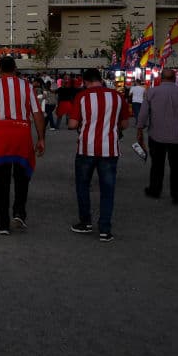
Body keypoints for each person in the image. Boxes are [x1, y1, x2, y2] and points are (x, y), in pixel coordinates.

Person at [0, 57, 45, 235]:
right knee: (22, 176)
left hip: (1, 135)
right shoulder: (27, 87)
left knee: (2, 180)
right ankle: (19, 213)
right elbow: (37, 113)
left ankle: (3, 224)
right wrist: (41, 138)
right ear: (15, 68)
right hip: (21, 133)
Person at [69, 68, 130, 242]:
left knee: (82, 186)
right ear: (100, 80)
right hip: (110, 150)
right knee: (107, 190)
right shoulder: (117, 97)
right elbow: (125, 124)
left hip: (86, 149)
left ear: (85, 81)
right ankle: (105, 229)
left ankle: (85, 222)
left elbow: (73, 124)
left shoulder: (82, 97)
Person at [136, 68, 178, 206]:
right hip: (177, 137)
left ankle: (155, 190)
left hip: (156, 136)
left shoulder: (151, 92)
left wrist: (140, 128)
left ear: (161, 78)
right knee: (176, 166)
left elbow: (143, 114)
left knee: (157, 165)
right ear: (175, 78)